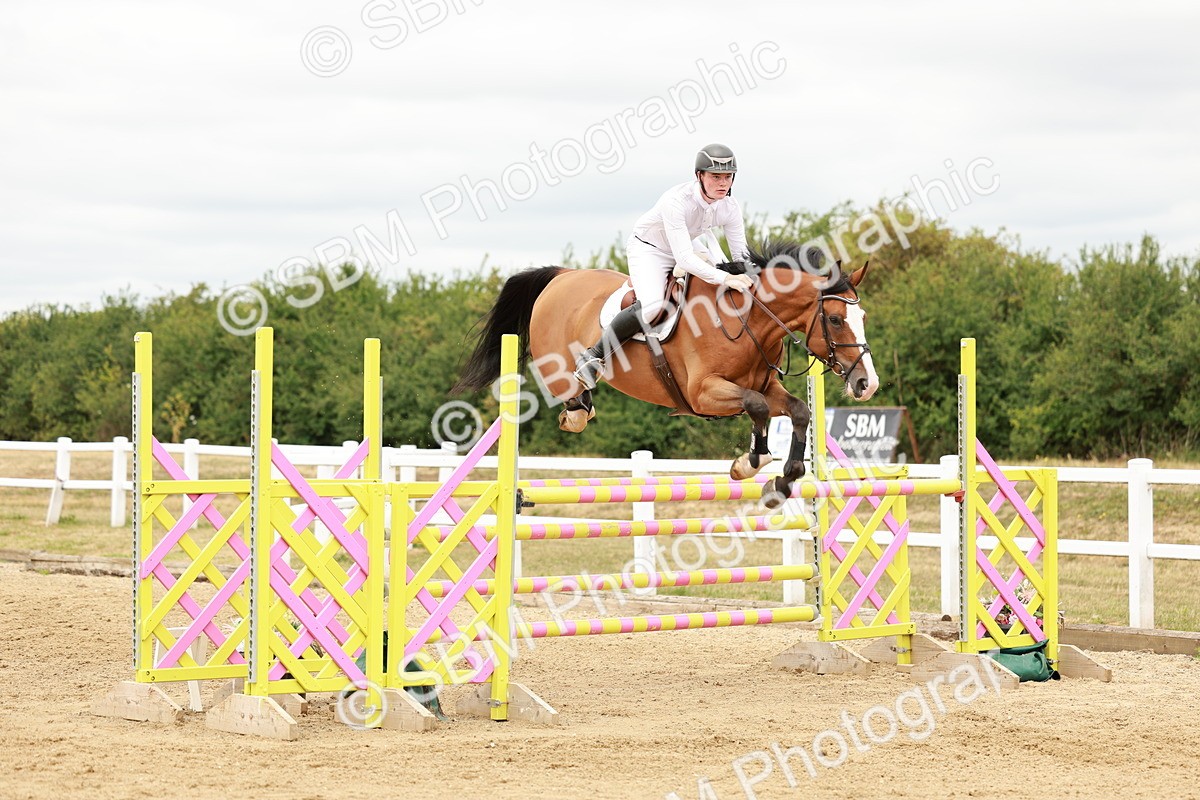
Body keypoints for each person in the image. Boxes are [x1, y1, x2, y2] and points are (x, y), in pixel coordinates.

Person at [573, 143, 756, 390]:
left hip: (688, 245)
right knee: (652, 307)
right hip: (650, 249)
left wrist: (753, 277)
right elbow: (684, 260)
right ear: (699, 176)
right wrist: (725, 278)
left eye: (727, 177)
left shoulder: (730, 207)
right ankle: (594, 356)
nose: (723, 183)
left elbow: (741, 256)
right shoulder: (677, 200)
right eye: (715, 177)